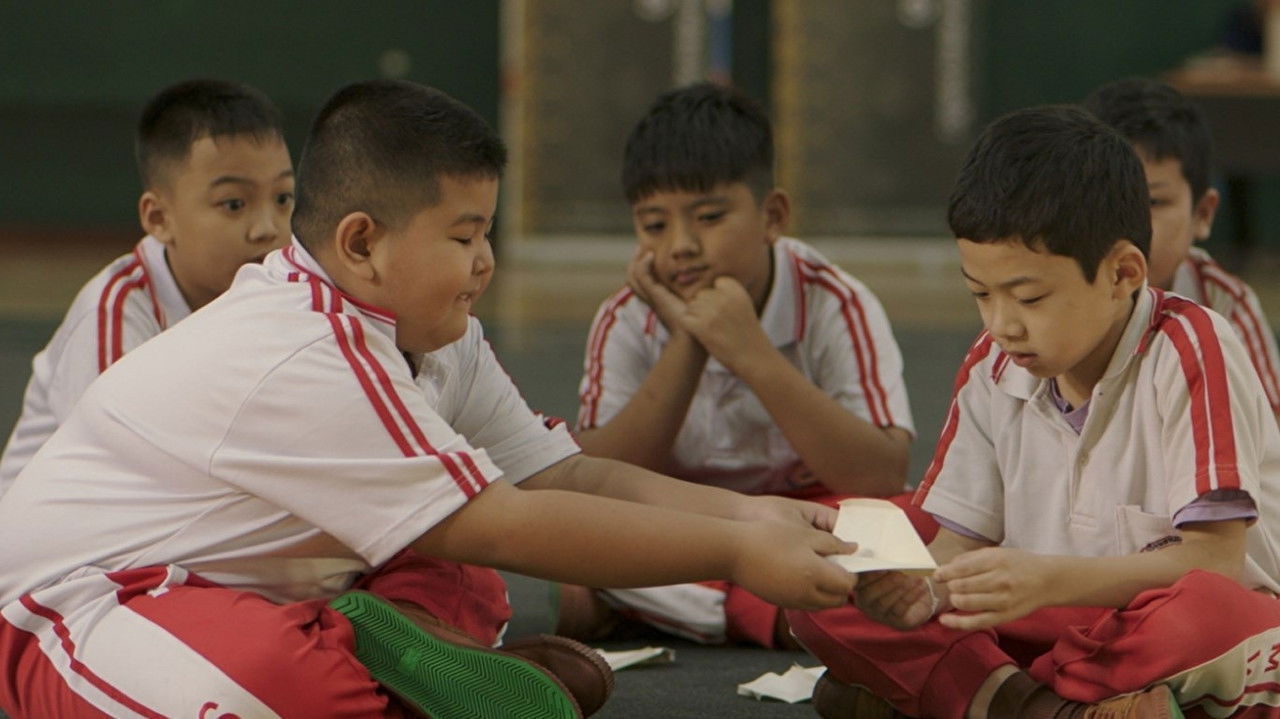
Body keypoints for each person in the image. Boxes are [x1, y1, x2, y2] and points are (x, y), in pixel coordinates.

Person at [0, 79, 857, 719]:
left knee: (463, 568)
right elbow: (509, 522)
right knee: (285, 688)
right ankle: (370, 664)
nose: (485, 260)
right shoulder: (300, 344)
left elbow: (566, 478)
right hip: (82, 602)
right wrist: (741, 556)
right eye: (465, 235)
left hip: (249, 583)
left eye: (487, 231)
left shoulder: (434, 329)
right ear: (362, 243)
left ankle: (374, 648)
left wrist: (754, 521)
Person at [785, 105, 1280, 719]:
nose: (1002, 325)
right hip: (1040, 622)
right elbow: (957, 547)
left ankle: (970, 693)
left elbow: (1217, 561)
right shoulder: (992, 364)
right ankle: (1053, 708)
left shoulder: (1192, 345)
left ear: (1124, 272)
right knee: (818, 578)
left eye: (1030, 297)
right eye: (980, 295)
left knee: (1212, 617)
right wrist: (919, 591)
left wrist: (1042, 582)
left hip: (1151, 625)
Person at [563, 82, 925, 649]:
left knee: (909, 518)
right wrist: (690, 340)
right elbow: (598, 483)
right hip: (689, 525)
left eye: (708, 217)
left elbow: (877, 473)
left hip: (810, 521)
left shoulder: (835, 301)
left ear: (772, 215)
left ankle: (692, 606)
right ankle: (786, 612)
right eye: (654, 226)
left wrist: (750, 352)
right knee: (574, 530)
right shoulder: (627, 317)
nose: (680, 245)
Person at [0, 78, 295, 493]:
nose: (268, 228)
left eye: (283, 198)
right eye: (234, 204)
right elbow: (117, 486)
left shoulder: (288, 290)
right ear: (159, 219)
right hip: (61, 541)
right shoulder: (115, 314)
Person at [1085, 76, 1280, 426]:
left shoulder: (1226, 306)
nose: (1132, 224)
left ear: (1202, 213)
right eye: (1111, 199)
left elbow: (1272, 444)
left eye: (1155, 201)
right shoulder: (1056, 292)